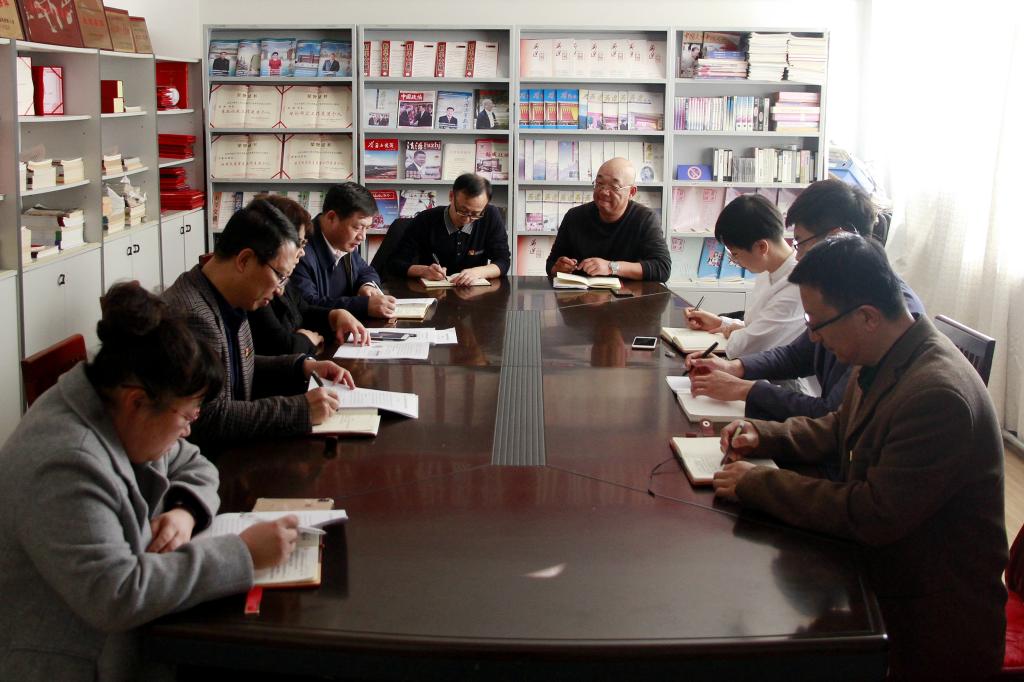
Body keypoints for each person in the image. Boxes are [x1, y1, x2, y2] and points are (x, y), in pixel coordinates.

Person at [711, 236, 1007, 681]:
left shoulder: (937, 395)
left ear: (867, 316)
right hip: (885, 573)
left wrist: (757, 483)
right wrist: (764, 435)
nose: (813, 337)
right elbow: (839, 427)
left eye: (818, 323)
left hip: (928, 621)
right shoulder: (885, 352)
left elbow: (872, 513)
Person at [0, 282, 300, 680]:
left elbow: (194, 463)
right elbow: (118, 594)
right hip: (80, 663)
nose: (188, 431)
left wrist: (185, 511)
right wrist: (242, 554)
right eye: (186, 417)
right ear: (137, 401)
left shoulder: (118, 407)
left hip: (139, 639)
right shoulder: (65, 463)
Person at [685, 180, 925, 428]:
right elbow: (798, 354)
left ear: (837, 237)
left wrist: (745, 389)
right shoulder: (846, 287)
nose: (797, 256)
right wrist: (735, 368)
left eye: (800, 242)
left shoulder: (884, 314)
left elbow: (831, 414)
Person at [164, 199, 355, 448]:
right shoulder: (192, 316)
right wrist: (300, 409)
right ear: (244, 260)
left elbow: (237, 367)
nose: (280, 291)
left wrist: (302, 367)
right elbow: (207, 417)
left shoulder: (228, 295)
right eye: (280, 276)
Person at [682, 194, 806, 360]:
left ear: (761, 247)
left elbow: (749, 345)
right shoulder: (768, 270)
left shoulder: (797, 284)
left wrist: (736, 332)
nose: (735, 261)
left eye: (735, 254)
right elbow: (756, 328)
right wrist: (720, 323)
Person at [248, 195, 369, 356]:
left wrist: (334, 315)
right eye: (299, 243)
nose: (302, 252)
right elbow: (278, 346)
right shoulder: (260, 282)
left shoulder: (280, 274)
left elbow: (302, 309)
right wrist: (306, 341)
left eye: (303, 243)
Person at [546, 157, 671, 282]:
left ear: (631, 192)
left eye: (614, 187)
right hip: (582, 292)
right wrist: (558, 268)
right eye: (599, 183)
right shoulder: (574, 216)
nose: (604, 192)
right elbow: (551, 264)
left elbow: (662, 268)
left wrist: (611, 267)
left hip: (629, 293)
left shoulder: (645, 219)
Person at [291, 182, 398, 319]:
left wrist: (367, 286)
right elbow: (307, 306)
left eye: (367, 228)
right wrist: (364, 306)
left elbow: (366, 271)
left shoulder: (343, 242)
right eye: (357, 227)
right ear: (331, 217)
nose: (363, 237)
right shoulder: (300, 252)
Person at [389, 173, 511, 285]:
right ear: (451, 196)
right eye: (463, 211)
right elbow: (396, 263)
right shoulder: (425, 219)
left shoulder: (490, 216)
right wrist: (424, 271)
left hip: (473, 292)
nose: (468, 219)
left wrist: (478, 272)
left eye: (476, 214)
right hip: (432, 292)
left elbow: (503, 260)